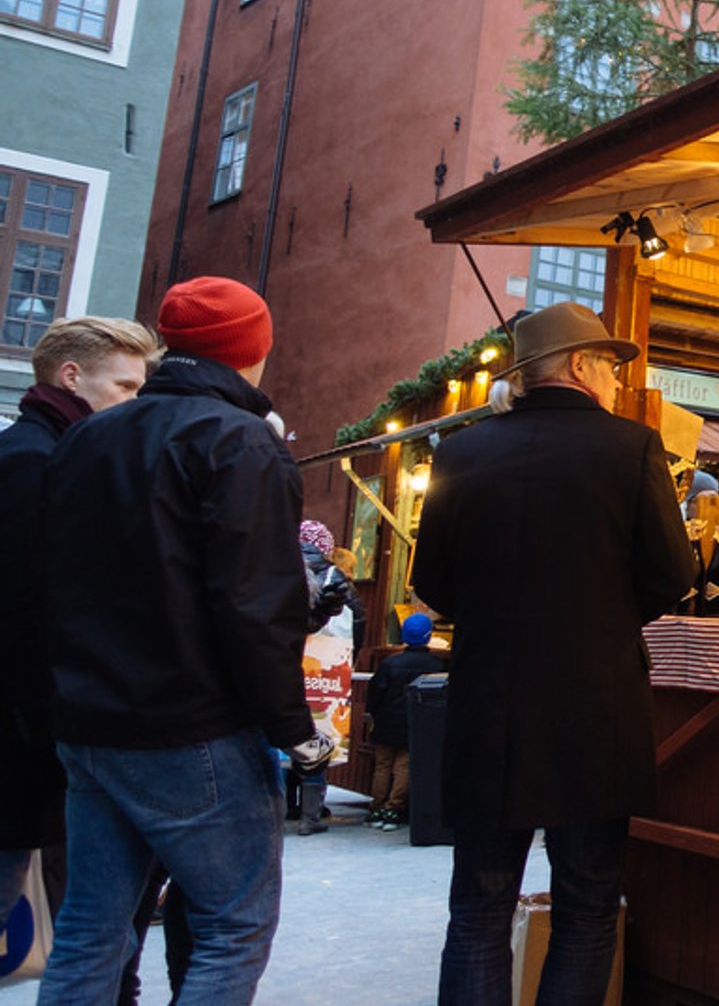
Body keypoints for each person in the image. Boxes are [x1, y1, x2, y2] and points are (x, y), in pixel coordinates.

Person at [35, 276, 335, 1001]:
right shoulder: (239, 442)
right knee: (234, 925)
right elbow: (254, 606)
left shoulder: (88, 435)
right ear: (255, 349)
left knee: (91, 927)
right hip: (189, 726)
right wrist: (296, 731)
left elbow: (51, 579)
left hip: (91, 722)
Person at [411, 301, 694, 1005]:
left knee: (477, 911)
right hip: (594, 710)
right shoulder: (631, 447)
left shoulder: (461, 451)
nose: (610, 375)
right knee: (586, 909)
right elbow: (673, 574)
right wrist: (601, 617)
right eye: (605, 361)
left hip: (487, 707)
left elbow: (432, 582)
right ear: (577, 364)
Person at [0, 318, 158, 936]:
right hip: (17, 740)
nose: (135, 403)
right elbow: (22, 617)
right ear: (72, 377)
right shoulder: (35, 461)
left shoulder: (45, 452)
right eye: (124, 387)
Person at [290, 520, 356, 836]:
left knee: (279, 740)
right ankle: (310, 816)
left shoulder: (279, 567)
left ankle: (282, 806)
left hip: (284, 669)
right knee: (318, 737)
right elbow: (359, 619)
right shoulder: (336, 577)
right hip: (326, 675)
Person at [363, 613, 448, 832]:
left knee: (382, 765)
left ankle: (376, 808)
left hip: (386, 720)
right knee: (404, 766)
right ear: (428, 636)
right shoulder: (436, 664)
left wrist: (373, 712)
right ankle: (393, 808)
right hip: (416, 722)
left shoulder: (391, 663)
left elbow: (375, 692)